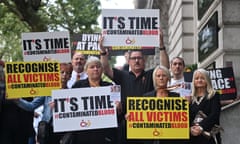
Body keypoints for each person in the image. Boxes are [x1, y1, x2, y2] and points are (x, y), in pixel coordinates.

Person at [100, 30, 167, 144]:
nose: (137, 61)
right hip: (127, 124)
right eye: (134, 58)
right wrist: (102, 51)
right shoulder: (122, 75)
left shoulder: (151, 75)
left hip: (147, 125)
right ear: (129, 61)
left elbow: (165, 67)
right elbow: (106, 69)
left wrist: (161, 46)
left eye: (139, 58)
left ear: (144, 60)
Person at [15, 63, 72, 144]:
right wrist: (18, 100)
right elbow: (31, 106)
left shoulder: (72, 94)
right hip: (46, 131)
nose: (64, 75)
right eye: (62, 72)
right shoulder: (47, 91)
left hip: (63, 132)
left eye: (67, 73)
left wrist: (61, 106)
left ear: (70, 77)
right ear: (56, 74)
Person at [71, 56, 119, 144]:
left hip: (105, 135)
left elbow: (119, 111)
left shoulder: (110, 87)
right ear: (86, 70)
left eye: (98, 66)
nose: (95, 69)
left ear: (102, 70)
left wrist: (118, 106)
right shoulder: (78, 86)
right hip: (83, 135)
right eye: (92, 67)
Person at [141, 65, 189, 144]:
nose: (161, 78)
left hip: (170, 139)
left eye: (164, 75)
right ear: (154, 79)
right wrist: (131, 116)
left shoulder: (176, 97)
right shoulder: (146, 97)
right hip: (152, 138)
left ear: (168, 78)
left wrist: (187, 106)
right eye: (158, 76)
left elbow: (183, 119)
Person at [189, 68, 221, 144]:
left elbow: (214, 114)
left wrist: (201, 127)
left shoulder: (214, 95)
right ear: (194, 81)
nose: (199, 80)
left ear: (207, 80)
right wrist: (190, 129)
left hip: (209, 138)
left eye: (202, 78)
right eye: (197, 78)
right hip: (193, 138)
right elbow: (187, 116)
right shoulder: (190, 98)